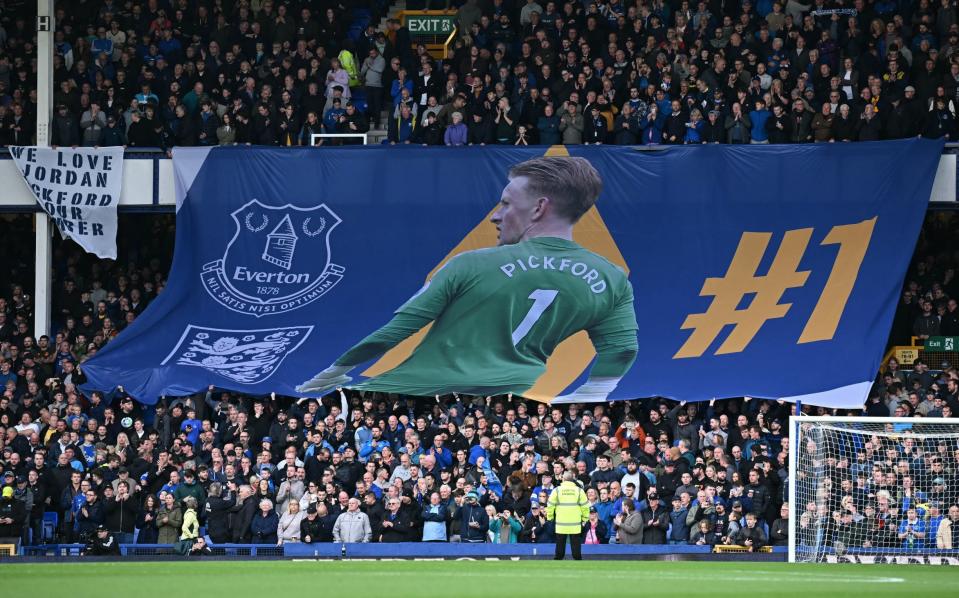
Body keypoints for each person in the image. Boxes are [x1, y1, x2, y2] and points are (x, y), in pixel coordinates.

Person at [298, 157, 638, 401]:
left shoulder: (470, 264)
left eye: (505, 204)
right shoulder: (611, 278)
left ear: (538, 209)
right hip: (518, 388)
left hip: (416, 389)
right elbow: (622, 350)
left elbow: (397, 331)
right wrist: (587, 396)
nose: (496, 215)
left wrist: (333, 371)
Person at [546, 471, 589, 560]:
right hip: (575, 523)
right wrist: (585, 518)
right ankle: (577, 559)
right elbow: (585, 506)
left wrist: (550, 517)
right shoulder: (579, 491)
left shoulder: (557, 490)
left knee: (560, 543)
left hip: (561, 523)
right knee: (576, 544)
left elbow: (550, 505)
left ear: (563, 479)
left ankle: (558, 559)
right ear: (572, 480)